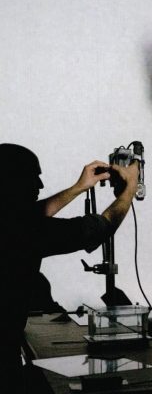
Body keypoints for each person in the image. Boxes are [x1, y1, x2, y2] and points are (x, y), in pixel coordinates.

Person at [0, 143, 139, 393]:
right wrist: (129, 189)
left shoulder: (10, 217)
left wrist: (78, 188)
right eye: (33, 177)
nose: (40, 186)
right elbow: (96, 230)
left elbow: (33, 214)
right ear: (11, 183)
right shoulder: (20, 231)